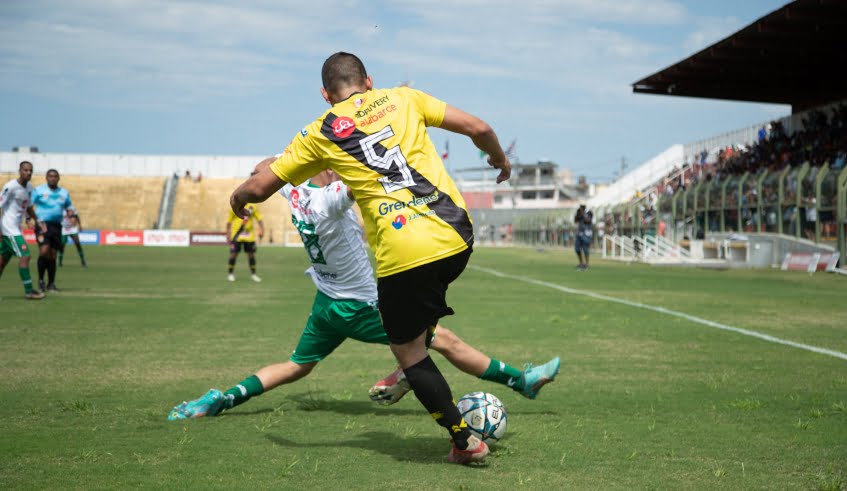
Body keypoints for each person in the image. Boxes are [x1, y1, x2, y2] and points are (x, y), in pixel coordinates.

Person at [229, 52, 559, 464]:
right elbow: (480, 127)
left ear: (325, 94)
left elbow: (261, 186)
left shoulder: (320, 132)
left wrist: (238, 196)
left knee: (409, 351)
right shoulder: (404, 98)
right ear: (368, 81)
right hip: (456, 237)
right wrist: (499, 157)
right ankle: (496, 376)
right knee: (425, 332)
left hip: (403, 256)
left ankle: (464, 441)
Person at [170, 165, 559, 425]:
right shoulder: (331, 199)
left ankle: (221, 399)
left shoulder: (296, 193)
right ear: (328, 169)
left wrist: (252, 187)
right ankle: (518, 381)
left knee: (297, 366)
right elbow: (361, 177)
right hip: (359, 305)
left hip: (326, 302)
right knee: (443, 340)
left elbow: (267, 168)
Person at [0, 161, 46, 300]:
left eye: (30, 170)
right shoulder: (11, 187)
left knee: (2, 262)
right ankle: (29, 291)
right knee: (25, 255)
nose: (28, 173)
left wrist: (36, 220)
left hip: (16, 228)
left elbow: (28, 207)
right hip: (9, 229)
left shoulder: (29, 187)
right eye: (25, 170)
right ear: (19, 170)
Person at [31, 169, 75, 292]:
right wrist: (29, 218)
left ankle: (51, 283)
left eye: (55, 176)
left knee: (53, 255)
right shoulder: (39, 190)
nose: (53, 178)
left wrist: (71, 216)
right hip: (42, 225)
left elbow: (69, 206)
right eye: (50, 176)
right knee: (44, 251)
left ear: (58, 178)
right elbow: (29, 205)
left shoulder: (64, 193)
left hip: (56, 226)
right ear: (46, 178)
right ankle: (40, 280)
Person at [226, 199, 264, 282]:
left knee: (251, 255)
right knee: (233, 254)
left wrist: (262, 229)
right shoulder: (235, 206)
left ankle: (254, 275)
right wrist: (228, 233)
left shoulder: (252, 206)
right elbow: (229, 221)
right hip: (236, 236)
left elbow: (259, 219)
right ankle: (230, 274)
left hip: (249, 236)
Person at [574, 205, 592, 270]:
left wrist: (583, 214)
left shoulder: (589, 213)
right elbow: (575, 221)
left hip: (586, 234)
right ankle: (581, 263)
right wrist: (577, 214)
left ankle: (587, 264)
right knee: (577, 249)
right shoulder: (579, 213)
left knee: (585, 249)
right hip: (579, 234)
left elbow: (588, 221)